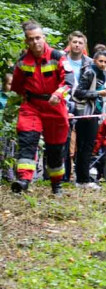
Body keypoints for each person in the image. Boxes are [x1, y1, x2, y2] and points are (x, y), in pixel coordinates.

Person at [10, 21, 72, 195]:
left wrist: (58, 95)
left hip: (55, 107)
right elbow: (17, 86)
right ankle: (23, 181)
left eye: (38, 38)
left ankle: (56, 184)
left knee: (55, 150)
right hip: (32, 107)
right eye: (31, 39)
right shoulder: (23, 62)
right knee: (27, 142)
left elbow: (69, 81)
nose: (35, 42)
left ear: (43, 37)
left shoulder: (57, 56)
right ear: (26, 42)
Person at [72, 48, 106, 188]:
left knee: (88, 146)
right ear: (94, 60)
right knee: (84, 146)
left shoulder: (103, 74)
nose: (103, 64)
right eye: (100, 61)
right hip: (85, 114)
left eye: (105, 62)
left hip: (95, 112)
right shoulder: (90, 72)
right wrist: (97, 93)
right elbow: (78, 92)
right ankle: (82, 179)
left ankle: (83, 177)